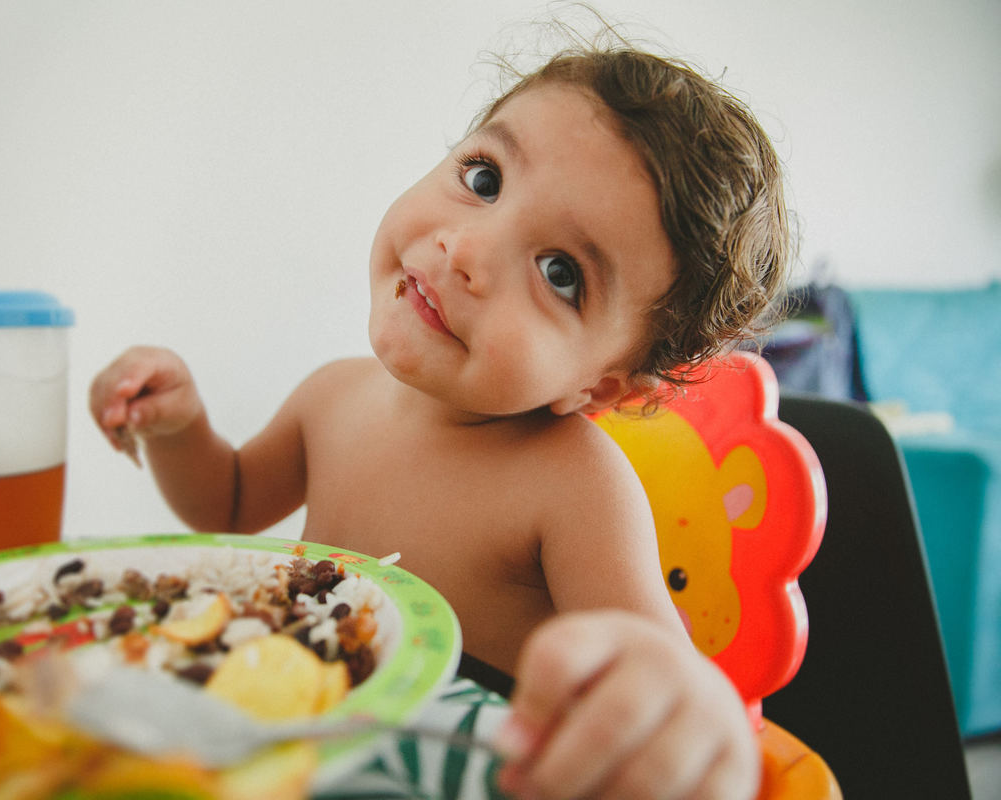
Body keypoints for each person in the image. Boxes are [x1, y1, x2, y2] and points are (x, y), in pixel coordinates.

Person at [90, 21, 789, 800]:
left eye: (559, 272)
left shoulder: (573, 485)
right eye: (484, 178)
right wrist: (183, 426)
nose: (466, 249)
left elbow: (658, 676)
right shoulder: (333, 396)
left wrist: (692, 713)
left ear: (599, 388)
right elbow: (225, 502)